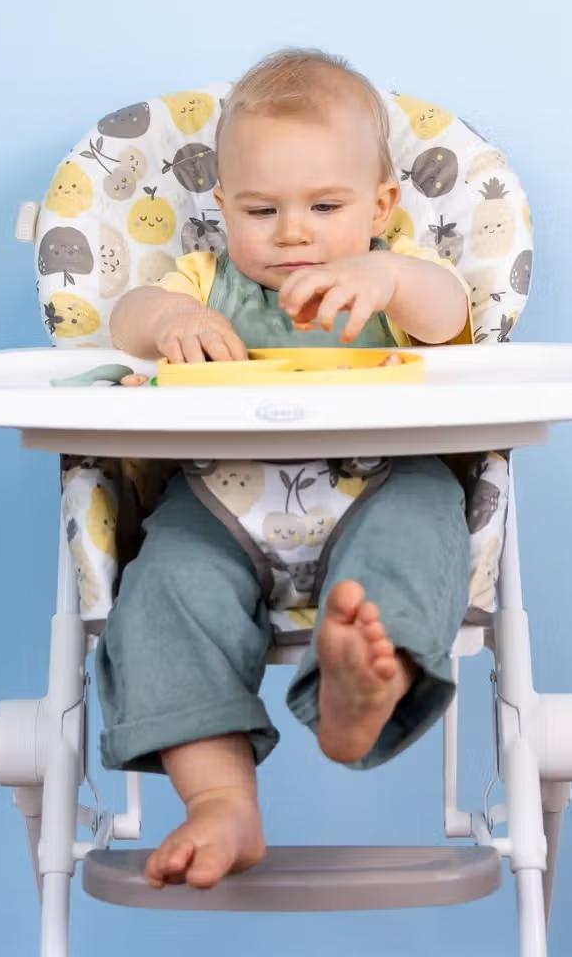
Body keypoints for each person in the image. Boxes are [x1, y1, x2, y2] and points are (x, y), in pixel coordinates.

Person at [101, 48, 474, 890]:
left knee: (415, 534)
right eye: (261, 208)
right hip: (222, 502)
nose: (294, 231)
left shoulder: (402, 277)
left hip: (378, 484)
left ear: (381, 206)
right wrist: (169, 320)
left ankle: (359, 703)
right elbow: (127, 317)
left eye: (327, 206)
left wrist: (388, 277)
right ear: (223, 207)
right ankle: (221, 803)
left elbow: (450, 316)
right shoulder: (204, 280)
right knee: (165, 592)